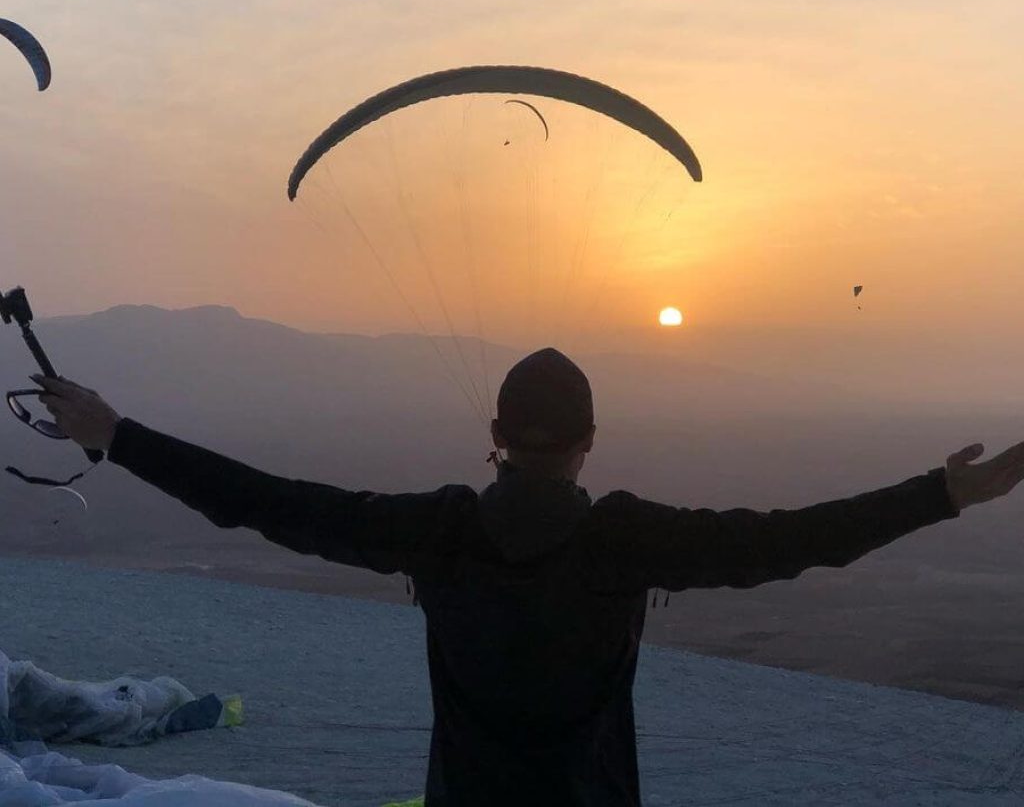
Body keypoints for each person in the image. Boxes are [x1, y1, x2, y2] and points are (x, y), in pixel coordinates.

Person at [33, 350, 1024, 807]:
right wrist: (939, 494)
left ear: (496, 437)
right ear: (591, 441)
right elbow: (795, 537)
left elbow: (265, 499)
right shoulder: (628, 541)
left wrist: (117, 435)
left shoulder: (440, 530)